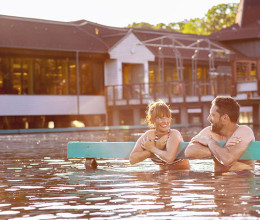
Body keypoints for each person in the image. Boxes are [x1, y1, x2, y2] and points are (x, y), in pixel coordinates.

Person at [185, 96, 255, 174]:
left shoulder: (244, 131)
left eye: (212, 115)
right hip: (219, 181)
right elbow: (189, 152)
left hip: (241, 181)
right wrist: (224, 149)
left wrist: (210, 142)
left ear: (225, 118)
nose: (208, 118)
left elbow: (227, 159)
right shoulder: (210, 131)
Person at [129, 100, 190, 170]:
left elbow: (169, 158)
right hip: (162, 175)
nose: (165, 121)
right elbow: (132, 160)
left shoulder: (174, 134)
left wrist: (153, 148)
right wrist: (155, 147)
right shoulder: (149, 135)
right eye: (160, 118)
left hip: (180, 174)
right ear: (152, 120)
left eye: (167, 117)